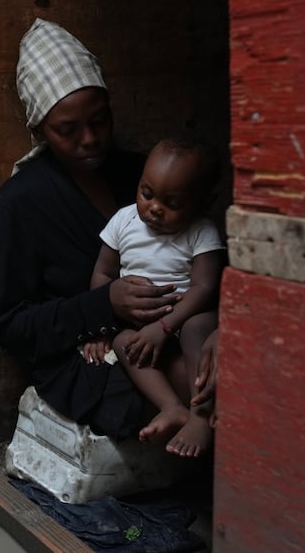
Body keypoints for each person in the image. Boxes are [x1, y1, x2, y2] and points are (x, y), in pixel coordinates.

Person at [0, 19, 181, 440]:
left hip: (172, 329)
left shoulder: (142, 177)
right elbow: (11, 326)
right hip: (82, 359)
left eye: (100, 120)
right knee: (168, 387)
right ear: (39, 129)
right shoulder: (20, 203)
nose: (90, 139)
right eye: (68, 130)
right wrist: (102, 306)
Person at [90, 135, 224, 457]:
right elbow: (102, 275)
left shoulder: (201, 231)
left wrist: (165, 327)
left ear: (202, 202)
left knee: (197, 329)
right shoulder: (124, 220)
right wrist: (101, 324)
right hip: (140, 324)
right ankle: (171, 407)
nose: (154, 208)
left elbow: (204, 288)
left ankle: (200, 415)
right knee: (124, 342)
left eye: (172, 203)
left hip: (184, 319)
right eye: (146, 193)